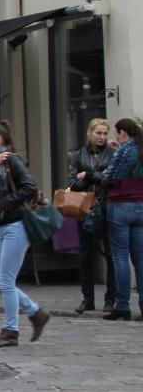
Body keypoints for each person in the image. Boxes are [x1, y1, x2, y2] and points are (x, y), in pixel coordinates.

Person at [0, 120, 50, 347]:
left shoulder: (12, 160)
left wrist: (1, 204)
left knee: (5, 281)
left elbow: (30, 187)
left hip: (16, 225)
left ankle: (10, 331)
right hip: (1, 226)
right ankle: (35, 312)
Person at [67, 118, 116, 314]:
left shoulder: (112, 154)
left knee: (111, 256)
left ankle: (110, 299)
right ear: (89, 133)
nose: (102, 137)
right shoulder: (78, 155)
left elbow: (111, 179)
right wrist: (96, 176)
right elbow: (72, 183)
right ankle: (87, 299)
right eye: (99, 133)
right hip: (85, 209)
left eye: (105, 133)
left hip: (107, 208)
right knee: (86, 255)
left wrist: (87, 175)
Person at [100, 117, 143, 321]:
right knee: (140, 259)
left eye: (116, 133)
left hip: (120, 207)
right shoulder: (139, 149)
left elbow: (110, 178)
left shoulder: (125, 151)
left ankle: (122, 305)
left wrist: (92, 175)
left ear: (123, 132)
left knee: (120, 257)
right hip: (140, 206)